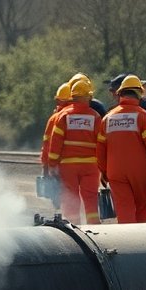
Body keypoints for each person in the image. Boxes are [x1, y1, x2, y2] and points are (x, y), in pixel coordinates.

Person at [98, 74, 146, 223]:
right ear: (139, 94)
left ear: (120, 93)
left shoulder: (107, 118)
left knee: (124, 208)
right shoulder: (144, 116)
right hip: (140, 172)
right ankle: (145, 236)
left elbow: (101, 150)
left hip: (115, 171)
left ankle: (127, 237)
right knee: (144, 207)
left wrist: (103, 172)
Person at [45, 78, 104, 224]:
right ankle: (94, 227)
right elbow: (102, 143)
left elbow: (55, 143)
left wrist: (52, 164)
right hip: (90, 166)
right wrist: (103, 166)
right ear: (88, 96)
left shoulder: (63, 116)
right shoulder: (95, 116)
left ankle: (74, 229)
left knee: (71, 198)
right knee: (90, 199)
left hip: (68, 166)